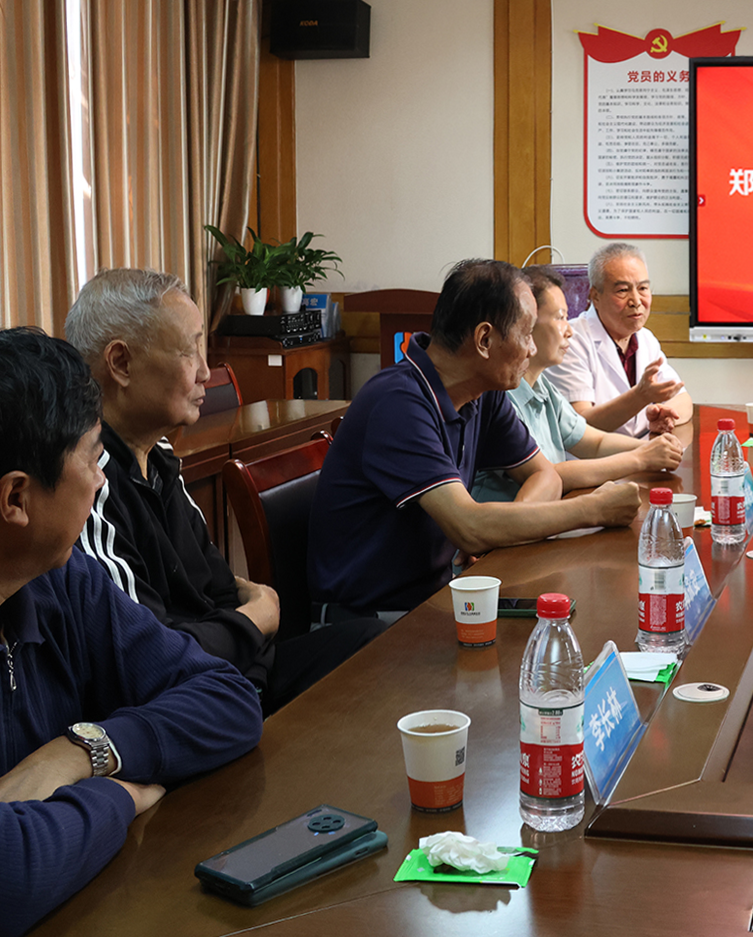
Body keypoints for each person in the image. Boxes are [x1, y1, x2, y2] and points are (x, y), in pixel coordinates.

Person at [0, 328, 262, 933]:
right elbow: (11, 875)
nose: (101, 481)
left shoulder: (63, 580)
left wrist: (80, 752)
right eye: (92, 458)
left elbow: (229, 699)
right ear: (15, 498)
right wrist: (122, 794)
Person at [64, 269, 383, 714]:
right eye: (188, 351)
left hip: (233, 675)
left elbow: (219, 590)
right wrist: (253, 621)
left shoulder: (159, 455)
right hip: (181, 704)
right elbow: (149, 660)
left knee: (373, 644)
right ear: (121, 363)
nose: (205, 371)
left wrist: (246, 633)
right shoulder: (87, 484)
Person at [308, 259, 640, 618]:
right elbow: (469, 526)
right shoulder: (397, 403)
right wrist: (592, 509)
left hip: (437, 599)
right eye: (526, 334)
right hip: (368, 620)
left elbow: (545, 475)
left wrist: (499, 529)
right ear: (484, 340)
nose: (531, 349)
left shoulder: (483, 393)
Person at [472, 266, 684, 503]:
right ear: (525, 323)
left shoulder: (543, 388)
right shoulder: (501, 397)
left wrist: (652, 449)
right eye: (560, 317)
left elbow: (595, 442)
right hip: (509, 521)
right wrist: (640, 458)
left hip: (544, 513)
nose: (569, 331)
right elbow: (548, 474)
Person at [545, 242, 692, 438]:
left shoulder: (645, 338)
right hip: (596, 457)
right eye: (623, 290)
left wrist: (664, 416)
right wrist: (640, 396)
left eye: (643, 288)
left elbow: (683, 400)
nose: (636, 301)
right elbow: (578, 426)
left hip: (641, 450)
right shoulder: (571, 341)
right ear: (595, 296)